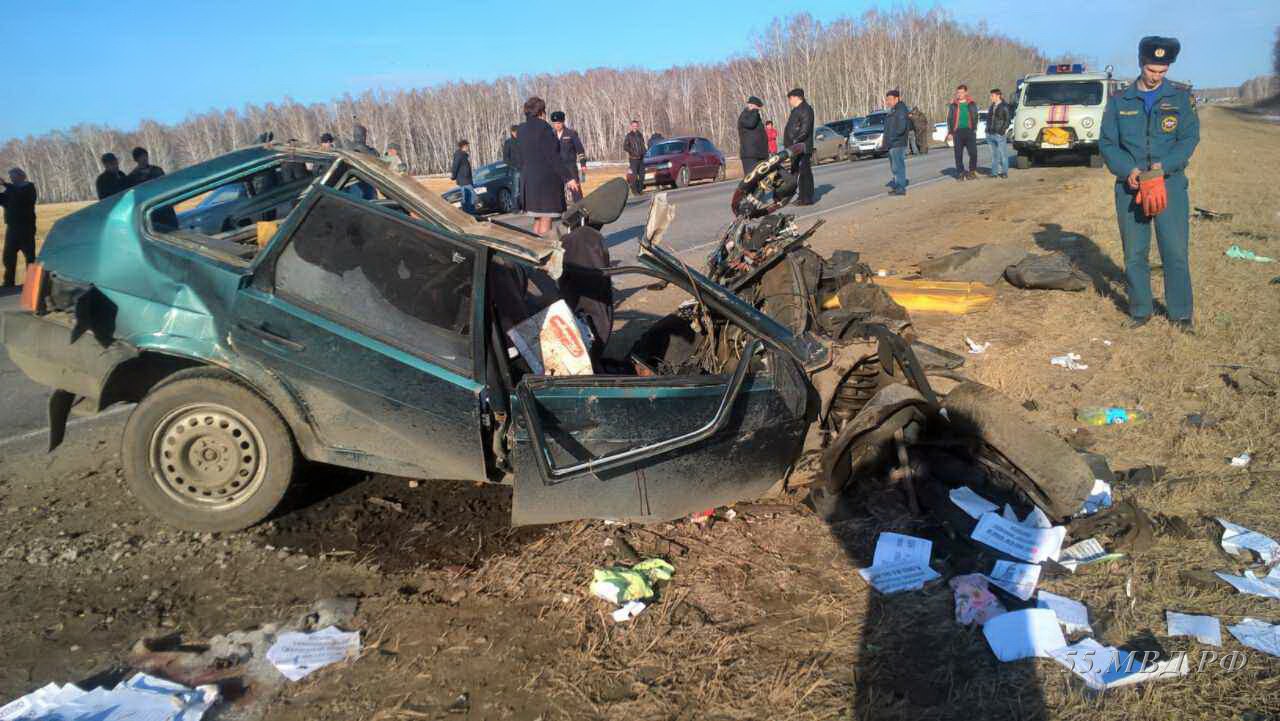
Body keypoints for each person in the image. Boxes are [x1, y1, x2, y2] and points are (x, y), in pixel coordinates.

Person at [1100, 36, 1200, 333]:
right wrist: (1126, 169)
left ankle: (1181, 314)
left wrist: (1164, 166)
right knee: (1134, 254)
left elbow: (1189, 139)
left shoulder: (1180, 99)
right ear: (1141, 64)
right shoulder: (1120, 101)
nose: (1157, 76)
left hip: (1168, 185)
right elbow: (1107, 143)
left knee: (1175, 252)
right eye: (1152, 70)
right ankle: (1140, 310)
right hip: (1130, 189)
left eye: (1163, 71)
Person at [517, 96, 579, 236]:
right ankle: (545, 254)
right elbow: (553, 157)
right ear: (541, 112)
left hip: (529, 181)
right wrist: (568, 178)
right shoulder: (544, 129)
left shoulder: (521, 130)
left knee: (537, 219)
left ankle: (536, 252)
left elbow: (519, 157)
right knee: (545, 218)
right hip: (545, 182)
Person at [1, 168, 37, 288]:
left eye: (13, 176)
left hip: (26, 227)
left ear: (21, 176)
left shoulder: (29, 187)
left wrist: (5, 184)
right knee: (8, 256)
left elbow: (22, 198)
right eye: (10, 177)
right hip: (12, 228)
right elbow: (4, 200)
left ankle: (32, 282)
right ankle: (8, 282)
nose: (11, 179)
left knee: (29, 256)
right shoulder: (10, 190)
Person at [784, 88, 815, 205]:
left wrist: (795, 142)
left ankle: (807, 198)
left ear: (797, 97)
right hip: (795, 147)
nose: (789, 101)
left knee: (804, 173)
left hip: (802, 146)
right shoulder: (796, 110)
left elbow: (805, 130)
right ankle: (801, 196)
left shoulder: (806, 109)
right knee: (797, 172)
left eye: (790, 98)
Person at [551, 111, 586, 203]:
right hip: (557, 167)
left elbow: (580, 150)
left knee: (575, 189)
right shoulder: (551, 135)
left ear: (563, 122)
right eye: (554, 123)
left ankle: (580, 209)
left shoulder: (571, 133)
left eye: (558, 123)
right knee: (557, 191)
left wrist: (583, 164)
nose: (557, 125)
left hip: (570, 166)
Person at [946, 85, 980, 180]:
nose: (960, 94)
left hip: (969, 131)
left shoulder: (972, 104)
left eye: (961, 92)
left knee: (973, 153)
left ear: (966, 92)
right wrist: (950, 132)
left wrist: (974, 128)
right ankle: (960, 172)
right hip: (958, 132)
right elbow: (950, 119)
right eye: (958, 92)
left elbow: (976, 116)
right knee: (958, 154)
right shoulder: (953, 105)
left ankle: (972, 171)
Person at [882, 90, 910, 196]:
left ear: (896, 99)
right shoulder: (893, 110)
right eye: (887, 99)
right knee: (894, 167)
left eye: (890, 99)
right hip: (892, 143)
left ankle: (901, 187)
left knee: (898, 166)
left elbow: (901, 128)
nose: (888, 101)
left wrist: (892, 138)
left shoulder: (901, 110)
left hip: (898, 143)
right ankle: (897, 185)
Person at [738, 96, 769, 178]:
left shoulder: (754, 115)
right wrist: (755, 110)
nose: (758, 110)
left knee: (761, 179)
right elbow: (751, 124)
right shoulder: (745, 115)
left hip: (759, 153)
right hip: (750, 155)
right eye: (758, 108)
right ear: (751, 105)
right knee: (751, 179)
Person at [986, 89, 1012, 178]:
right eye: (991, 96)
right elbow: (989, 119)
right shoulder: (992, 106)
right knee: (994, 155)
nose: (991, 98)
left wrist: (1002, 131)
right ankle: (994, 173)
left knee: (1002, 154)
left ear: (998, 96)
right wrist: (987, 130)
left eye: (992, 96)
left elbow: (1008, 120)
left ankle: (1004, 172)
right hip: (990, 133)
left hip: (999, 134)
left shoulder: (1004, 106)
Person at [623, 120, 647, 194]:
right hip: (633, 159)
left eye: (636, 126)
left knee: (642, 176)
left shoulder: (640, 135)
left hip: (641, 158)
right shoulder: (629, 136)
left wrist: (645, 152)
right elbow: (625, 146)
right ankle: (635, 191)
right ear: (631, 126)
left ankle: (640, 190)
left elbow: (642, 145)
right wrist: (632, 152)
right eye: (633, 126)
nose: (635, 127)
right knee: (634, 176)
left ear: (638, 126)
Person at [502, 125, 522, 208]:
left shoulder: (522, 140)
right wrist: (513, 166)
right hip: (515, 169)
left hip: (525, 168)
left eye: (518, 132)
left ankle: (525, 207)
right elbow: (505, 158)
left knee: (525, 189)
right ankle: (515, 208)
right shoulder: (508, 142)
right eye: (515, 132)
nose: (516, 133)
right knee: (516, 190)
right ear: (512, 132)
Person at [451, 139, 474, 211]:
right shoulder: (459, 155)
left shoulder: (463, 155)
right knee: (471, 197)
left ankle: (470, 213)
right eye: (467, 146)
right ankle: (470, 213)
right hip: (463, 180)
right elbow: (455, 166)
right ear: (464, 146)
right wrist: (453, 176)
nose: (468, 148)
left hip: (466, 179)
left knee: (468, 197)